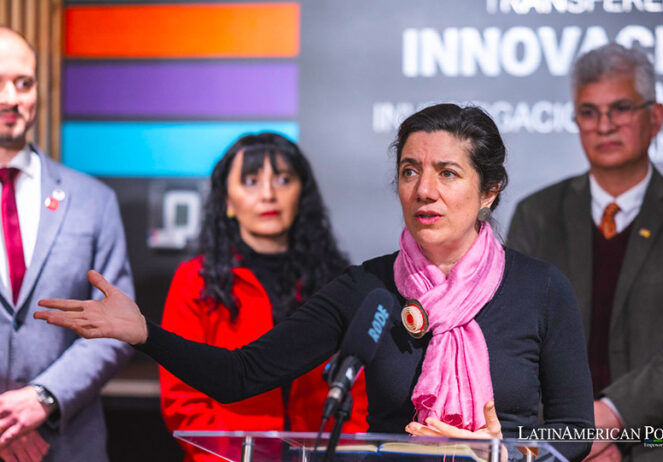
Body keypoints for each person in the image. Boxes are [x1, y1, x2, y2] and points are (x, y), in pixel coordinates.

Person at [36, 104, 595, 461]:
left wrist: (514, 453)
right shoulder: (367, 290)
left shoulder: (542, 289)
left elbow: (576, 432)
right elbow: (240, 375)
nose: (424, 190)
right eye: (409, 170)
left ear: (490, 189)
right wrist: (143, 334)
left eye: (447, 173)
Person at [506, 43, 663, 461]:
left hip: (660, 439)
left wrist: (610, 420)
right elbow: (512, 342)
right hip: (551, 445)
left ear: (655, 117)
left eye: (621, 108)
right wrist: (570, 439)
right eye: (589, 112)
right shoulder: (536, 215)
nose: (604, 125)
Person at [159, 132, 368, 462]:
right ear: (227, 200)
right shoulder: (194, 280)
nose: (269, 194)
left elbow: (357, 389)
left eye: (283, 179)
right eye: (251, 181)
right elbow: (182, 400)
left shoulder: (337, 280)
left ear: (302, 194)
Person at [0, 27, 134, 461]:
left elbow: (118, 327)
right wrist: (7, 424)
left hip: (68, 442)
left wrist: (41, 398)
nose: (11, 98)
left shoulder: (93, 200)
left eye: (24, 82)